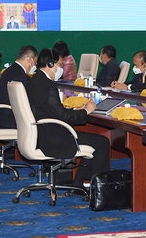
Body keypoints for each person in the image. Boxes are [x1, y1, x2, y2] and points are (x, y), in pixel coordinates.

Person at [26, 48, 110, 188]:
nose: (62, 69)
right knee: (102, 142)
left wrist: (74, 110)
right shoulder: (47, 85)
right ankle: (97, 187)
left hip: (41, 134)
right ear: (51, 64)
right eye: (60, 65)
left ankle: (79, 183)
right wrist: (86, 111)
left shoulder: (35, 80)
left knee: (93, 139)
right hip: (54, 138)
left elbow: (52, 110)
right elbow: (63, 116)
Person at [0, 45, 38, 129]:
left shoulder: (7, 71)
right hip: (13, 121)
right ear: (31, 60)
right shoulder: (22, 77)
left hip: (1, 118)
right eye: (35, 63)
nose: (34, 66)